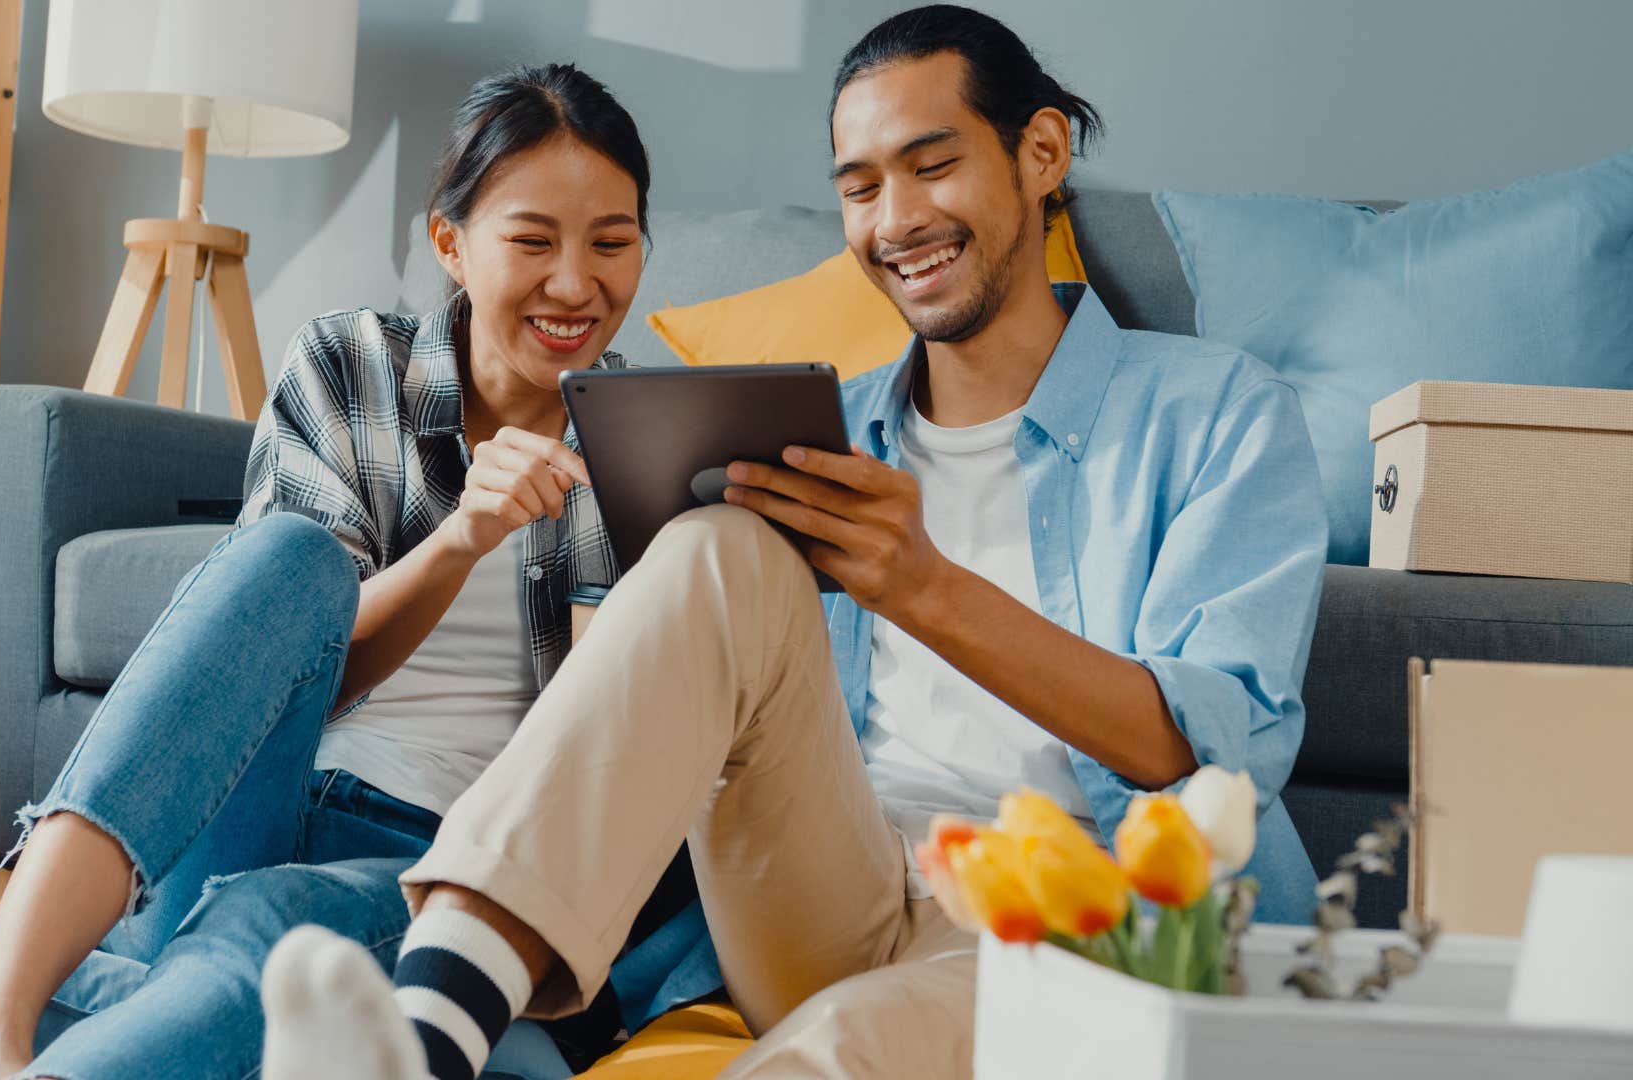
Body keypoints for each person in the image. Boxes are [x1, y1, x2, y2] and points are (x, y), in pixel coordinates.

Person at [254, 6, 1329, 1079]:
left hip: (1078, 924)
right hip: (828, 893)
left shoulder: (1218, 413)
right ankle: (430, 1031)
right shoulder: (812, 434)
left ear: (1040, 153)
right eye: (860, 187)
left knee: (842, 1048)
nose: (895, 219)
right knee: (718, 544)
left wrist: (925, 589)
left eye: (932, 165)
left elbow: (1219, 752)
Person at [0, 63, 715, 1080]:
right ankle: (0, 1011)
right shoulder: (353, 366)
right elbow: (302, 657)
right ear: (451, 244)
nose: (576, 285)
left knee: (271, 936)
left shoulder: (659, 445)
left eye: (613, 244)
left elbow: (642, 761)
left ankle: (101, 1004)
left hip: (458, 869)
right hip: (265, 800)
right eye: (533, 241)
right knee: (290, 556)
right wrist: (461, 539)